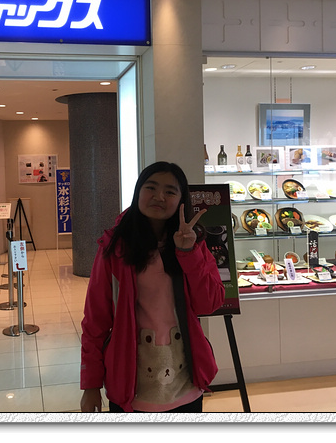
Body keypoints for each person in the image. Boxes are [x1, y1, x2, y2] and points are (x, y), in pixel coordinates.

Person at [80, 161, 226, 413]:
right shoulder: (115, 248)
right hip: (131, 387)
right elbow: (95, 321)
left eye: (170, 191)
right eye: (151, 187)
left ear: (181, 200)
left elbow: (209, 303)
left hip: (186, 384)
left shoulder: (194, 243)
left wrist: (188, 253)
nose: (159, 197)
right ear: (138, 191)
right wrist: (91, 384)